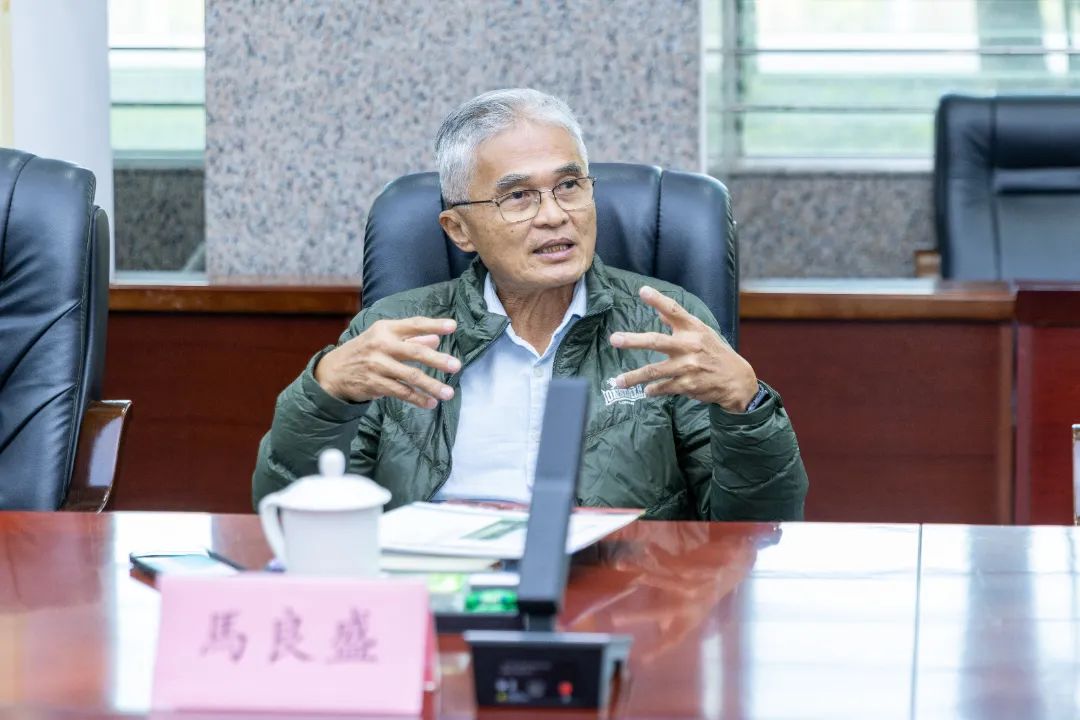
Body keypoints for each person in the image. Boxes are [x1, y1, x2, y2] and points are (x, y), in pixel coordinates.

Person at [253, 88, 808, 520]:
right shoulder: (392, 330)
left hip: (620, 598)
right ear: (459, 229)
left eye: (569, 185)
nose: (554, 215)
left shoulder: (663, 324)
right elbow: (289, 513)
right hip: (436, 597)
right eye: (518, 196)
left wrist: (747, 404)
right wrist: (324, 393)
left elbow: (754, 528)